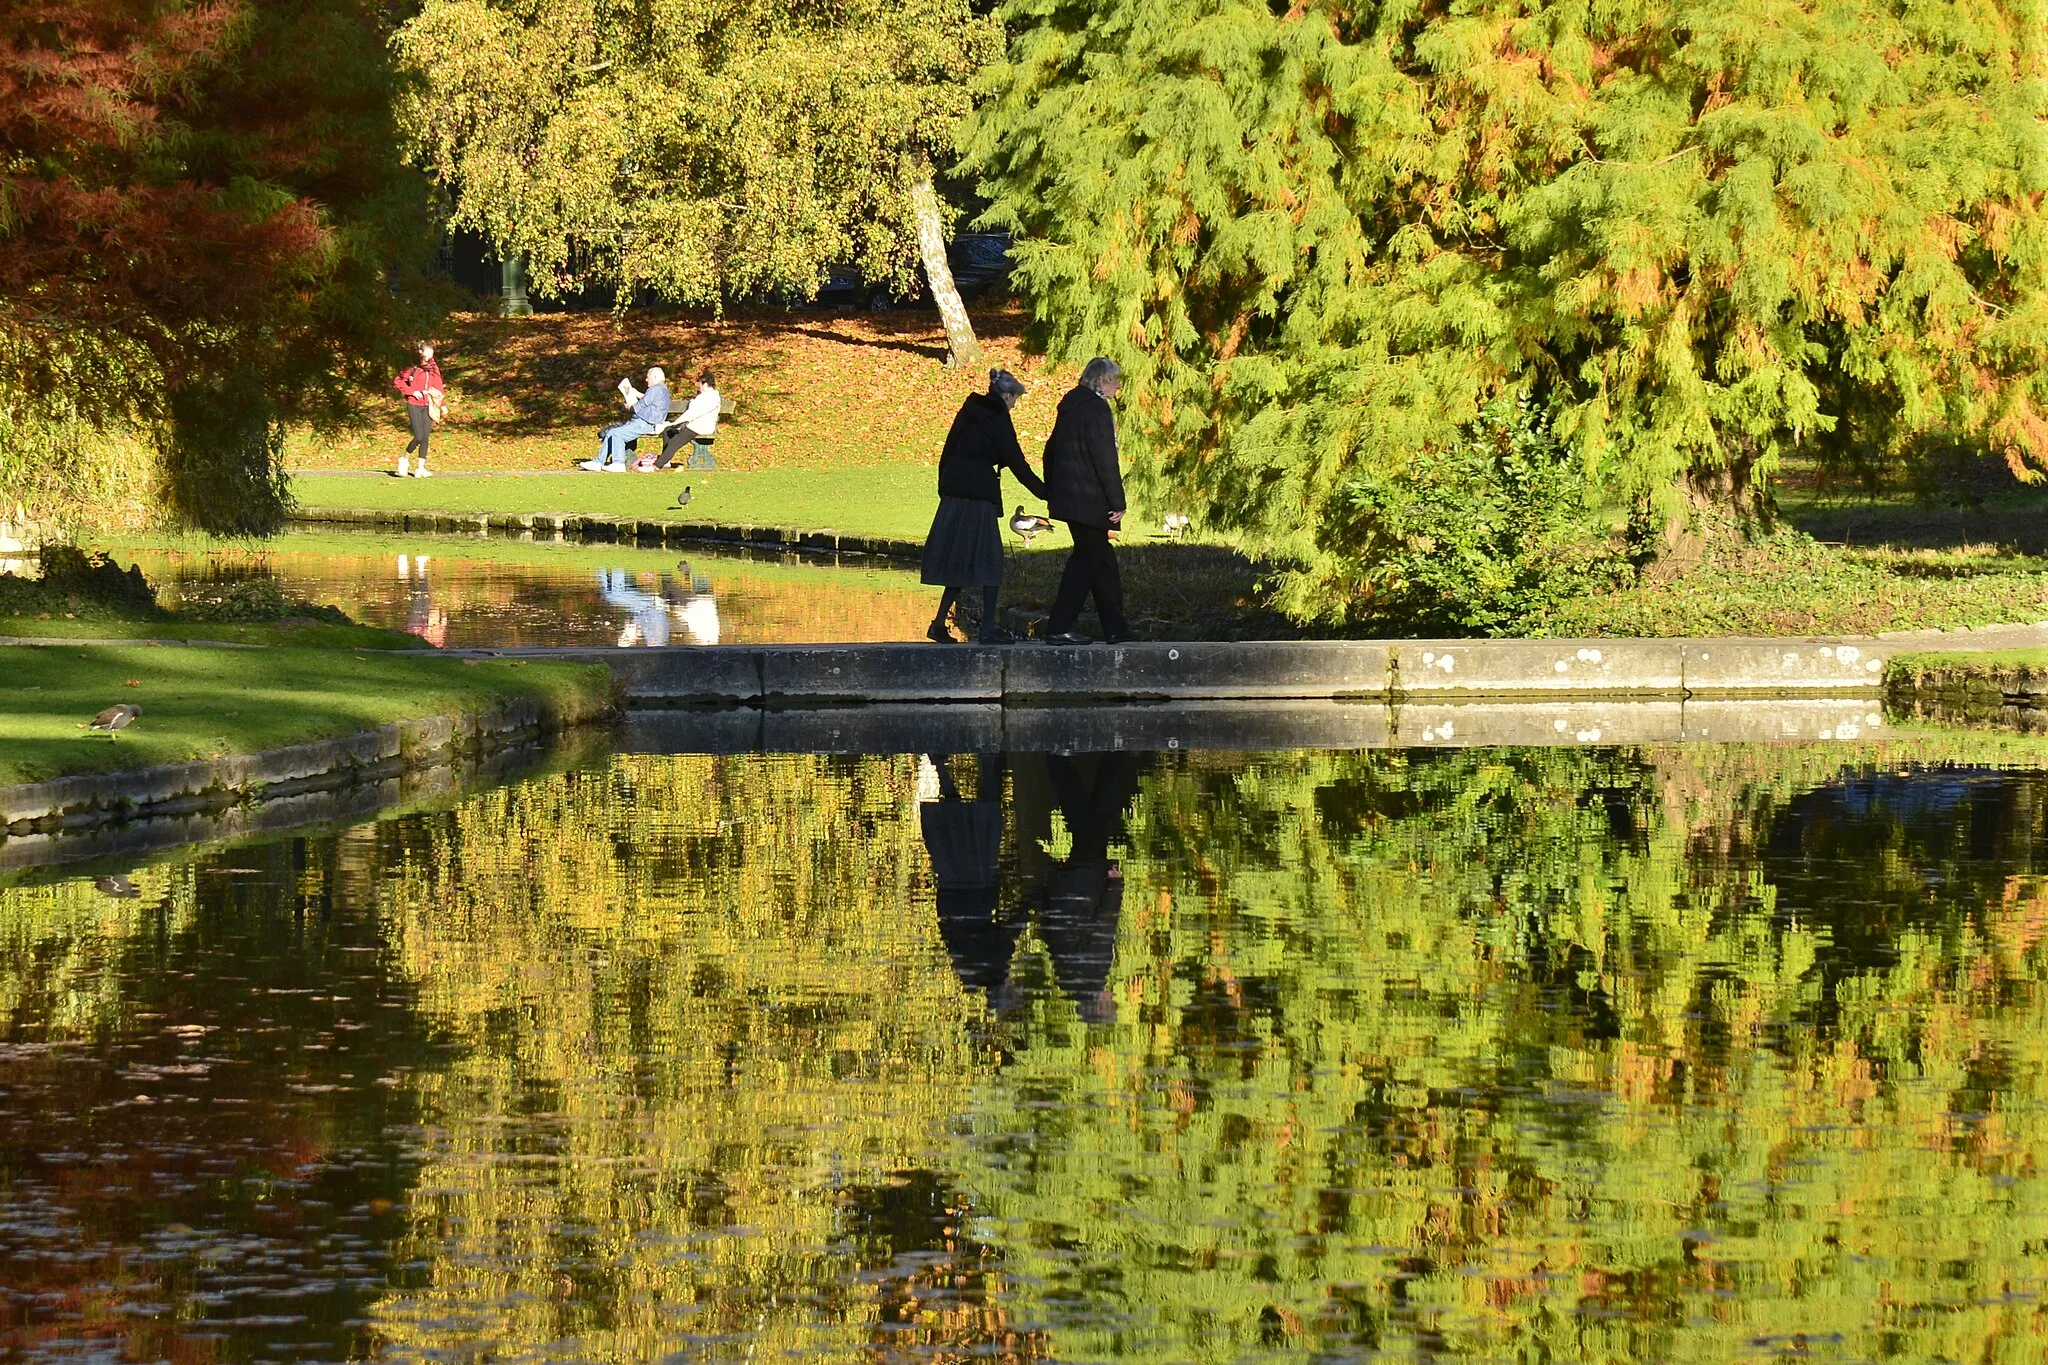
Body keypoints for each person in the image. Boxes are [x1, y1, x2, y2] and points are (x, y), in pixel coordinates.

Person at [922, 369, 1047, 644]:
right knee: (990, 560)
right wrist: (1045, 492)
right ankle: (988, 629)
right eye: (1015, 399)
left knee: (959, 560)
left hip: (954, 492)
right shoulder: (997, 417)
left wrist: (945, 486)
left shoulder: (970, 410)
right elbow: (1016, 461)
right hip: (977, 496)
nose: (1015, 404)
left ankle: (939, 623)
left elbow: (948, 449)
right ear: (1006, 395)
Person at [1041, 357, 1131, 644]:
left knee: (1101, 561)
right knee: (1085, 562)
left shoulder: (1070, 407)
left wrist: (1052, 488)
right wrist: (1117, 501)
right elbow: (1105, 459)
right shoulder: (1096, 409)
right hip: (1089, 499)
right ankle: (1059, 627)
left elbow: (1050, 450)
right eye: (1114, 380)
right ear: (1102, 381)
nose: (1118, 385)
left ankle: (1116, 629)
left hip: (1070, 497)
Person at [583, 367, 671, 472]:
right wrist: (636, 394)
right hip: (646, 421)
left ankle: (618, 463)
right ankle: (598, 462)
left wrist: (628, 406)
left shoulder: (655, 389)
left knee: (617, 433)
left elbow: (638, 406)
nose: (646, 380)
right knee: (612, 432)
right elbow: (649, 401)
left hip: (645, 422)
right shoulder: (662, 389)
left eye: (648, 377)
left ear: (655, 377)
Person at [391, 343, 443, 478]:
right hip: (414, 404)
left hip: (429, 404)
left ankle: (421, 467)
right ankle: (404, 459)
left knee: (425, 437)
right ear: (420, 353)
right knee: (419, 436)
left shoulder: (433, 367)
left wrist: (442, 404)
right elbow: (398, 381)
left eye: (431, 355)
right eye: (426, 355)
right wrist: (412, 392)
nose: (428, 358)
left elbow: (438, 385)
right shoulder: (412, 367)